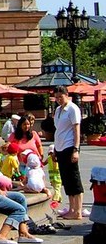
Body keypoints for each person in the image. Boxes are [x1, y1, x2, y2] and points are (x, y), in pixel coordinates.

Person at [53, 85, 84, 219]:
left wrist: (76, 149)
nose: (59, 99)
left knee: (74, 178)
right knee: (66, 179)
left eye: (61, 96)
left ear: (67, 95)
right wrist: (54, 149)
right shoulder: (59, 110)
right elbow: (58, 130)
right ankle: (72, 208)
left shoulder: (72, 109)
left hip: (69, 146)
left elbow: (76, 129)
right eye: (56, 97)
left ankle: (78, 210)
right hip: (60, 147)